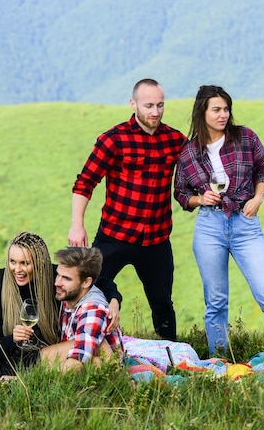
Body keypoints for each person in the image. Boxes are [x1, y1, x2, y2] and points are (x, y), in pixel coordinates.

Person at [174, 85, 264, 355]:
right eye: (216, 109)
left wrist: (258, 197)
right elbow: (181, 193)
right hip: (209, 228)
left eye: (226, 109)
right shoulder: (189, 152)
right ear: (202, 112)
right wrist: (200, 199)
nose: (223, 115)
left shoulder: (245, 137)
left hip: (245, 224)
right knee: (215, 302)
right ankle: (221, 361)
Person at [68, 78, 187, 341]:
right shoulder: (114, 140)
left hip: (156, 239)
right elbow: (85, 182)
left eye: (160, 105)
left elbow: (195, 172)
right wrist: (77, 224)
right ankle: (84, 343)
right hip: (115, 234)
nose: (155, 112)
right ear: (133, 104)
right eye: (148, 105)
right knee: (89, 286)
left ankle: (171, 354)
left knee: (162, 303)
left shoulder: (175, 140)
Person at [0, 232, 120, 377]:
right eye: (13, 262)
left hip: (55, 349)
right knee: (96, 345)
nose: (17, 270)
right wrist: (12, 339)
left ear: (39, 262)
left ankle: (117, 377)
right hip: (20, 361)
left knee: (95, 352)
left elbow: (101, 281)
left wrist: (114, 301)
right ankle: (120, 377)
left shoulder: (53, 277)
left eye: (25, 263)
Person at [40, 246, 124, 372]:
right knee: (44, 356)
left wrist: (40, 379)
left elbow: (77, 360)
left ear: (86, 282)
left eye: (66, 278)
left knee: (46, 360)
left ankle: (116, 375)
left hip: (104, 362)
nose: (57, 282)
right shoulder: (69, 292)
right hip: (83, 348)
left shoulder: (93, 310)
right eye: (58, 275)